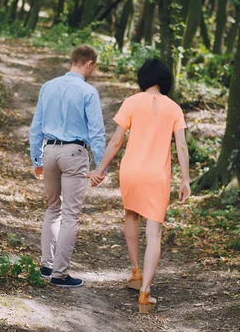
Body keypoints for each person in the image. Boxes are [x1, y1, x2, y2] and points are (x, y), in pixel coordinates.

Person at [88, 59, 191, 312]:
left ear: (143, 78)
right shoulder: (174, 108)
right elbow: (182, 146)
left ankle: (135, 272)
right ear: (166, 80)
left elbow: (115, 141)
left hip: (131, 171)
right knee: (154, 232)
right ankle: (145, 293)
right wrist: (185, 180)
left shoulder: (131, 102)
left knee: (130, 215)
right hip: (157, 175)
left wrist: (100, 169)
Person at [29, 44, 106, 288]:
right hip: (74, 153)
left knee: (53, 209)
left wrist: (36, 160)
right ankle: (60, 274)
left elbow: (36, 128)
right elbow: (96, 132)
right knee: (70, 214)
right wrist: (101, 166)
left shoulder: (48, 86)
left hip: (49, 151)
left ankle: (46, 265)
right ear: (89, 64)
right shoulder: (88, 91)